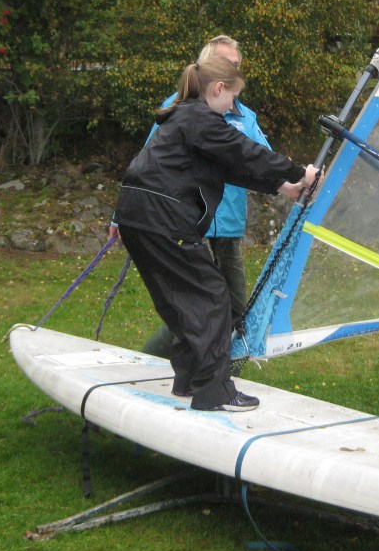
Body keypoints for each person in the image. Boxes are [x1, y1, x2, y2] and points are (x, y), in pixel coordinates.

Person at [113, 57, 319, 412]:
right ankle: (215, 391)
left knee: (183, 301)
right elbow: (244, 151)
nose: (232, 108)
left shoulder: (184, 118)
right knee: (213, 298)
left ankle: (190, 380)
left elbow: (226, 167)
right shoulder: (201, 119)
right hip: (163, 218)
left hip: (136, 216)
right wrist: (299, 172)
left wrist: (282, 186)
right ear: (218, 89)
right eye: (232, 98)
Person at [140, 35, 269, 358]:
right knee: (196, 306)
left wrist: (299, 180)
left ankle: (218, 367)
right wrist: (121, 216)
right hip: (188, 223)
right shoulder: (180, 107)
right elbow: (148, 163)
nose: (233, 69)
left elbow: (263, 159)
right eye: (226, 63)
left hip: (227, 227)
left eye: (237, 64)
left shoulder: (244, 116)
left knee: (235, 307)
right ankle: (152, 359)